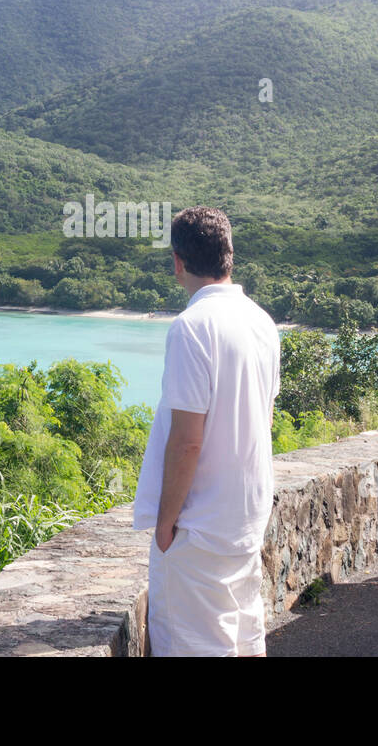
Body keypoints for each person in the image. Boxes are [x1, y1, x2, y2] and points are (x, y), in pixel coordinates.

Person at [133, 206, 281, 656]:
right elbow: (263, 420)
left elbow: (187, 440)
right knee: (244, 641)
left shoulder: (191, 328)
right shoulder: (262, 323)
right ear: (228, 255)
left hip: (198, 529)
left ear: (178, 262)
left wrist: (165, 525)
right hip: (245, 520)